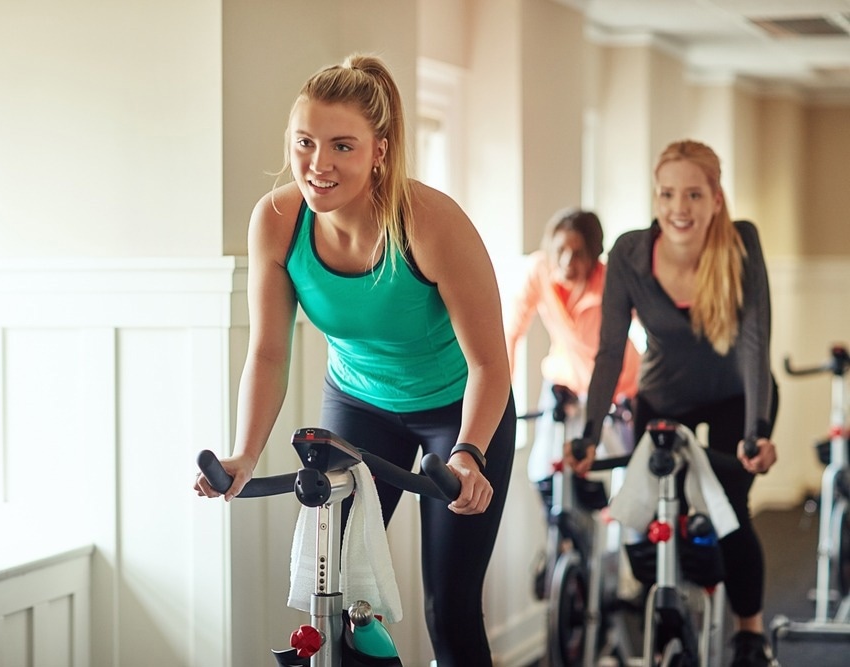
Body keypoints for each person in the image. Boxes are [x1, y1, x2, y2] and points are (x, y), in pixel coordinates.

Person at [193, 54, 515, 667]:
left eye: (343, 145)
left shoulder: (430, 223)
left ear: (380, 151)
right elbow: (266, 351)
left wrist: (469, 452)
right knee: (333, 599)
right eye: (305, 143)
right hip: (360, 404)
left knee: (449, 610)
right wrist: (243, 454)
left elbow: (490, 365)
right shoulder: (279, 221)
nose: (320, 164)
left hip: (457, 408)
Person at [564, 139, 780, 667]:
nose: (679, 208)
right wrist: (589, 436)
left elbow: (754, 342)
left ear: (715, 198)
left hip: (737, 395)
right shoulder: (631, 253)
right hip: (664, 397)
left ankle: (748, 635)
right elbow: (611, 351)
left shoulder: (740, 244)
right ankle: (671, 602)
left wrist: (756, 431)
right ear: (655, 198)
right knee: (656, 510)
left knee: (729, 509)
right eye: (667, 194)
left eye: (693, 194)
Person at [505, 207, 640, 486]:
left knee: (632, 479)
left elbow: (653, 325)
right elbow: (511, 333)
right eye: (561, 250)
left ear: (594, 254)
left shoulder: (610, 281)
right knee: (545, 475)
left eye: (578, 253)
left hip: (618, 385)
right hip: (563, 381)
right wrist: (501, 396)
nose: (567, 261)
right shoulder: (539, 271)